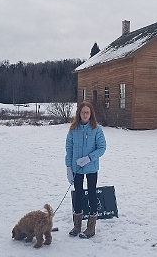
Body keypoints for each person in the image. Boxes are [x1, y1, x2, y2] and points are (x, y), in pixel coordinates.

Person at [65, 101, 106, 239]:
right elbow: (69, 149)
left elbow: (102, 148)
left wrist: (89, 158)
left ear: (91, 114)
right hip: (76, 168)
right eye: (83, 112)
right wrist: (68, 167)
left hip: (91, 167)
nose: (85, 115)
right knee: (78, 194)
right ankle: (77, 226)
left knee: (92, 193)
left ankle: (91, 227)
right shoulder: (73, 129)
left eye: (87, 112)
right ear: (79, 113)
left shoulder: (97, 129)